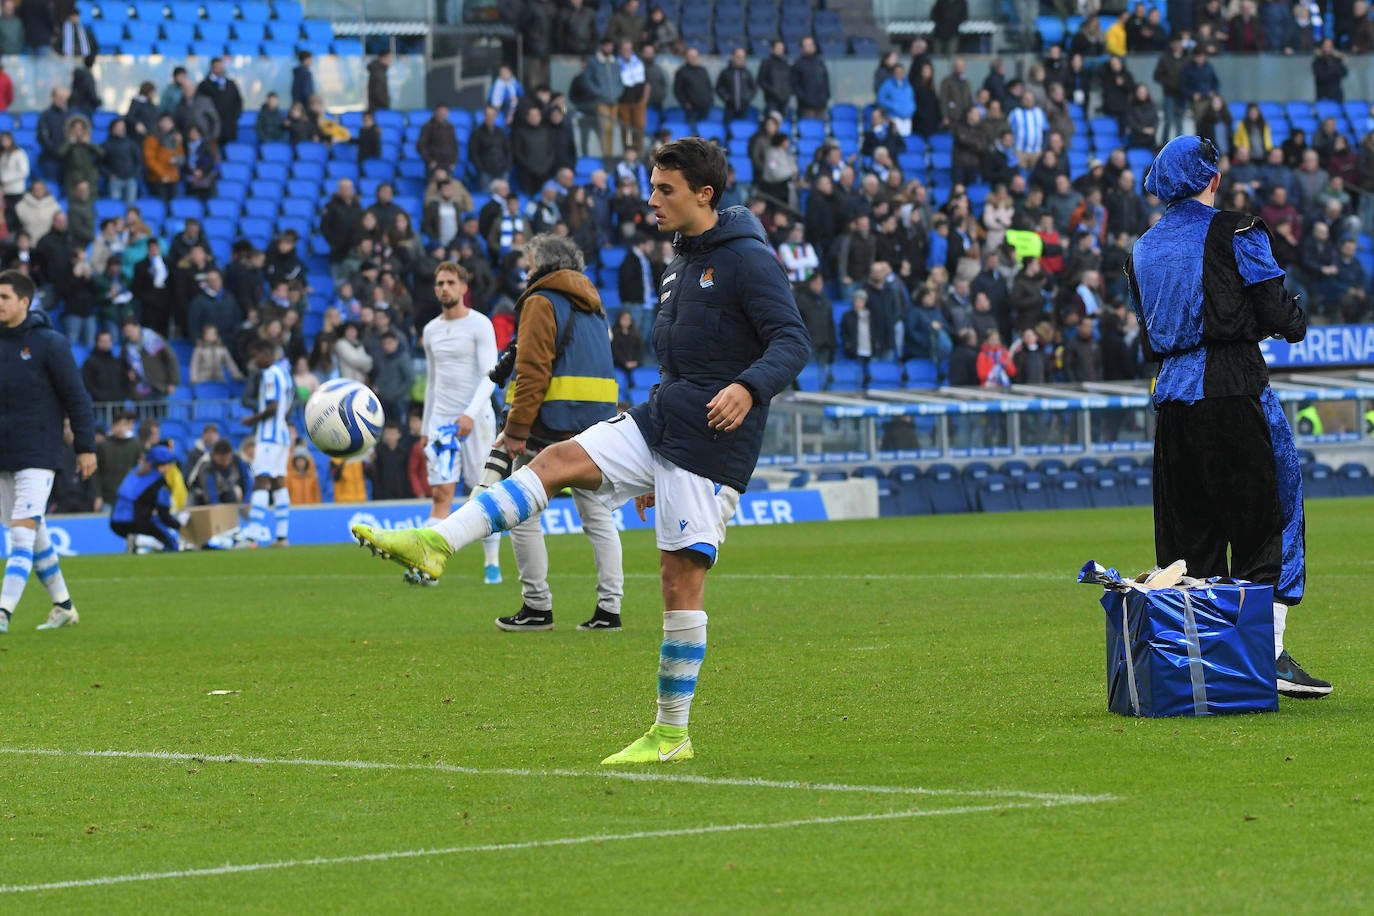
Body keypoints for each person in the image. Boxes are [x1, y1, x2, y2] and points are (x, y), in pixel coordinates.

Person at [352, 137, 810, 764]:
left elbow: (791, 341)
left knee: (679, 584)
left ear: (704, 195)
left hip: (713, 442)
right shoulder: (678, 263)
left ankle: (672, 733)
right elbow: (681, 360)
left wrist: (748, 388)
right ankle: (436, 543)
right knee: (554, 460)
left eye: (664, 190)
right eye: (651, 187)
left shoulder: (748, 260)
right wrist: (652, 457)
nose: (651, 200)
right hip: (666, 420)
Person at [1127, 135, 1330, 699]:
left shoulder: (1140, 249)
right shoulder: (1239, 230)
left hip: (1171, 399)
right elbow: (1275, 310)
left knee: (1191, 535)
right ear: (1211, 179)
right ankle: (1268, 653)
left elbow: (1148, 324)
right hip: (1234, 388)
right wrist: (1293, 320)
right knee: (1273, 514)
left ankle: (1207, 668)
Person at [478, 234, 626, 631]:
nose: (525, 271)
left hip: (549, 428)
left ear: (542, 264)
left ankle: (537, 606)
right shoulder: (595, 306)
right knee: (598, 517)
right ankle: (609, 610)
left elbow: (532, 373)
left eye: (528, 263)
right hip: (596, 426)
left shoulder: (541, 301)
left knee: (523, 517)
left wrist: (516, 429)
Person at [0, 269, 95, 633]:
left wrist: (86, 447)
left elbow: (77, 397)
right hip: (4, 455)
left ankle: (4, 611)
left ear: (24, 301)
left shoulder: (49, 343)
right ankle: (64, 606)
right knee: (32, 532)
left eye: (5, 297)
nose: (0, 304)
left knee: (20, 534)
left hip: (39, 452)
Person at [418, 261, 503, 584]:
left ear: (463, 287)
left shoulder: (480, 325)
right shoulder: (430, 330)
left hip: (477, 418)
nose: (444, 288)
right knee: (441, 493)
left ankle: (491, 563)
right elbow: (431, 381)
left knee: (483, 493)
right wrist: (427, 428)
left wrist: (470, 412)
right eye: (439, 283)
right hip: (441, 422)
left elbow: (490, 375)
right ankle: (428, 565)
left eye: (450, 282)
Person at [241, 338, 292, 546]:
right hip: (283, 435)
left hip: (269, 436)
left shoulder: (270, 374)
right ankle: (282, 535)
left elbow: (272, 407)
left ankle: (251, 535)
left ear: (266, 354)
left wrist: (251, 420)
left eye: (257, 356)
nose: (255, 361)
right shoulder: (285, 374)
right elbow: (287, 406)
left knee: (261, 480)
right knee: (279, 482)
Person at [109, 444, 181, 551]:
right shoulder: (160, 483)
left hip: (115, 521)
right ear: (164, 465)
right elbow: (164, 515)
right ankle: (139, 541)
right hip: (136, 521)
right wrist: (179, 525)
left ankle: (137, 544)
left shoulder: (135, 472)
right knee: (170, 542)